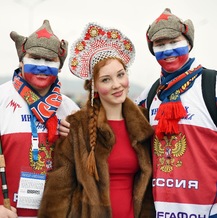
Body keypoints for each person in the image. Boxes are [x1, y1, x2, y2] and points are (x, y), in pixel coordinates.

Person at [38, 23, 156, 218]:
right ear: (94, 86)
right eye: (106, 79)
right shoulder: (77, 126)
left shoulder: (144, 123)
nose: (117, 85)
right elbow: (59, 190)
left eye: (120, 75)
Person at [135, 8, 217, 216]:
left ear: (189, 43)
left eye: (174, 42)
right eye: (160, 45)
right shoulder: (148, 95)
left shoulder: (212, 85)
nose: (168, 50)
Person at [0, 20, 79, 217]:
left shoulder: (70, 109)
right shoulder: (2, 99)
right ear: (21, 61)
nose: (42, 67)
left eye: (50, 60)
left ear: (60, 68)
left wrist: (79, 139)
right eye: (35, 58)